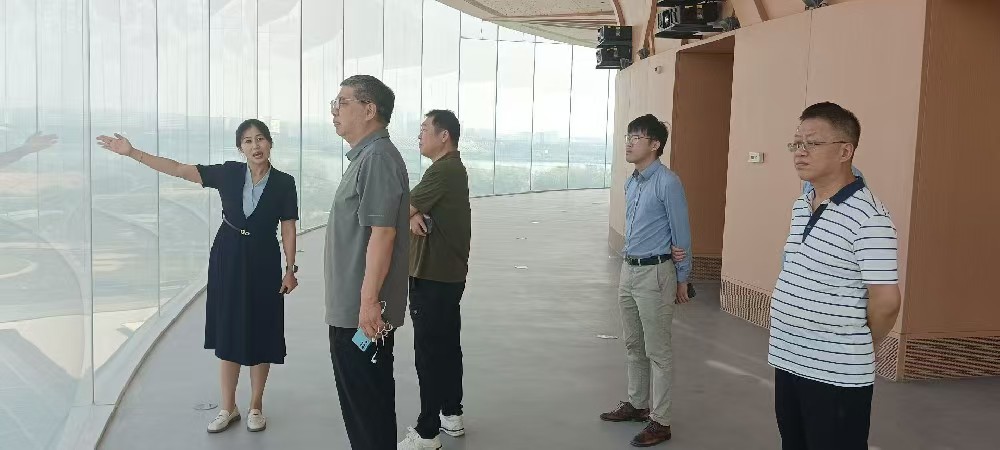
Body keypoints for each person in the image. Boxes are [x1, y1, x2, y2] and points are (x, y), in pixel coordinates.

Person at [96, 119, 300, 434]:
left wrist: (290, 268)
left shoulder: (284, 182)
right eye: (248, 141)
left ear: (270, 143)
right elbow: (179, 169)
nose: (255, 146)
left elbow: (288, 227)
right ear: (240, 148)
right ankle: (228, 407)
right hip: (228, 255)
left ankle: (256, 406)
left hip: (264, 259)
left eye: (260, 139)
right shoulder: (229, 173)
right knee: (230, 330)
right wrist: (133, 152)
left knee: (262, 329)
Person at [770, 102, 901, 450]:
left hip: (836, 373)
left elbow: (886, 302)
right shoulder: (803, 203)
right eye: (796, 143)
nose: (800, 152)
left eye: (812, 143)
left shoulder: (869, 217)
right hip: (789, 358)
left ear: (845, 151)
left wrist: (859, 344)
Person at [325, 75, 409, 450]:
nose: (335, 111)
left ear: (369, 109)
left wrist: (369, 302)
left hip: (360, 315)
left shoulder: (376, 158)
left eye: (342, 102)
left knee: (366, 408)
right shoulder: (367, 156)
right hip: (355, 309)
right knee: (366, 404)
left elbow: (383, 233)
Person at [600, 114, 692, 447]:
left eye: (636, 137)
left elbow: (681, 234)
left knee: (658, 351)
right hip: (629, 268)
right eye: (628, 137)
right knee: (633, 344)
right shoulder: (633, 181)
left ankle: (661, 421)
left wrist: (682, 279)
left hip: (655, 273)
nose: (628, 143)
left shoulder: (668, 182)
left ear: (655, 144)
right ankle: (637, 404)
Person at [397, 110, 471, 450]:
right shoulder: (451, 169)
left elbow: (400, 208)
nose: (420, 135)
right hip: (447, 275)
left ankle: (427, 432)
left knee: (428, 353)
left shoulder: (443, 170)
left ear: (444, 136)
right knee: (447, 346)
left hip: (433, 275)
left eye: (425, 129)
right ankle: (451, 413)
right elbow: (413, 209)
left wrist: (410, 214)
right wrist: (414, 215)